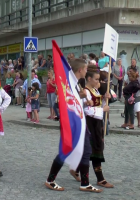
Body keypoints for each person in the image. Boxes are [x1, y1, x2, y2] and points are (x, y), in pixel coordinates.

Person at [45, 59, 103, 193]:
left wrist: (84, 101)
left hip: (80, 122)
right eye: (86, 68)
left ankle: (85, 183)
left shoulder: (77, 84)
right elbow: (65, 102)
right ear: (80, 70)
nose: (87, 70)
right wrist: (79, 96)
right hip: (72, 123)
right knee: (65, 151)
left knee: (87, 151)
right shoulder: (69, 84)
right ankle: (50, 180)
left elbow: (76, 104)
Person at [83, 65, 113, 188]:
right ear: (89, 79)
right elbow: (87, 110)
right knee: (93, 149)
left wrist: (106, 100)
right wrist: (102, 110)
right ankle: (99, 178)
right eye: (96, 79)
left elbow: (100, 105)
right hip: (89, 124)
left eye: (99, 79)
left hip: (97, 123)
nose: (98, 82)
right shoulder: (85, 92)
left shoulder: (95, 91)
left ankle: (75, 170)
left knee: (95, 148)